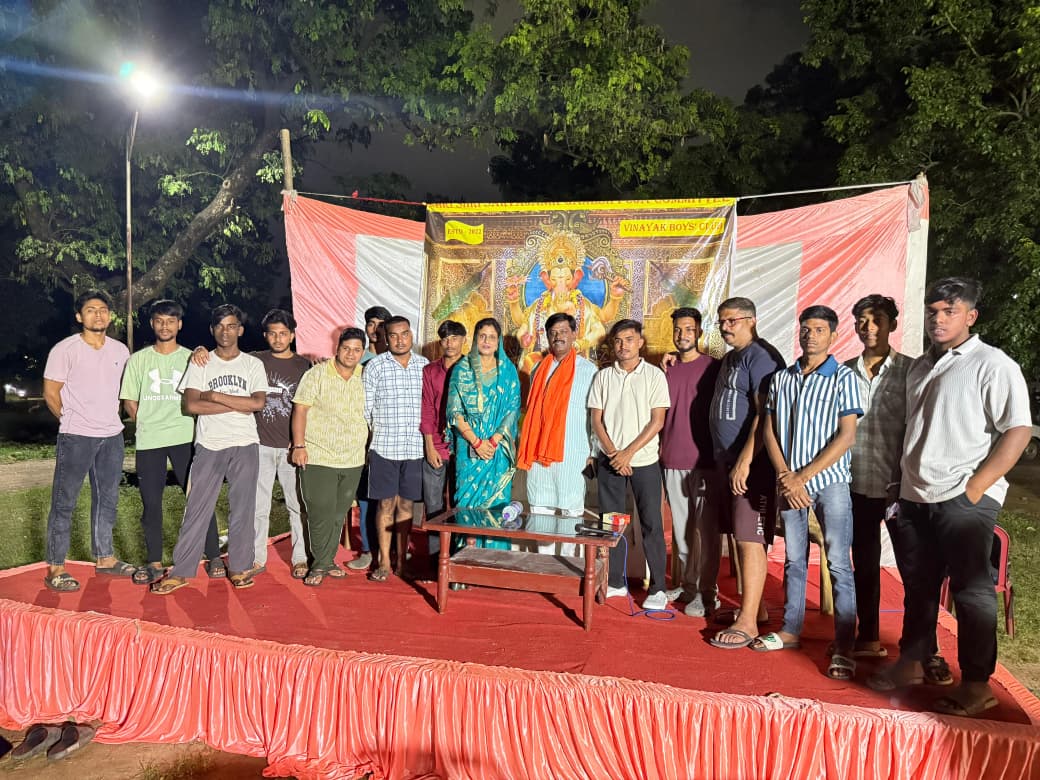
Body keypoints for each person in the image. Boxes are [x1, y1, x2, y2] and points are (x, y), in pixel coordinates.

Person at [869, 278, 1031, 717]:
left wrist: (976, 486)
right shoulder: (921, 366)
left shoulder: (992, 364)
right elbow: (915, 428)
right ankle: (913, 662)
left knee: (971, 591)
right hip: (914, 495)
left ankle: (976, 685)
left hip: (963, 498)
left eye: (950, 311)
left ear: (970, 316)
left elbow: (1018, 430)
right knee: (919, 587)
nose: (938, 320)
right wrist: (897, 486)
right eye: (933, 311)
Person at [758, 306, 862, 681]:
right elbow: (769, 430)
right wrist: (786, 476)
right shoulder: (782, 378)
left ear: (833, 335)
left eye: (819, 330)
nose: (810, 335)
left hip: (829, 482)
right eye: (806, 328)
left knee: (838, 562)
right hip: (789, 482)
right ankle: (791, 629)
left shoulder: (844, 378)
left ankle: (845, 644)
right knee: (794, 559)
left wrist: (803, 476)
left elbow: (846, 436)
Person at [151, 304, 267, 594]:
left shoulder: (252, 364)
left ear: (240, 329)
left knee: (243, 509)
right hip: (209, 444)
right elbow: (191, 405)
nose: (226, 332)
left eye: (231, 326)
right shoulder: (201, 361)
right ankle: (181, 571)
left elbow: (257, 403)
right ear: (212, 330)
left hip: (245, 443)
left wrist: (214, 395)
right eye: (220, 326)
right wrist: (236, 404)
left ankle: (239, 567)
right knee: (197, 508)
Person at [120, 300, 223, 585]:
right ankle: (154, 561)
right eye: (159, 321)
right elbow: (130, 401)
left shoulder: (193, 358)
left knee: (198, 497)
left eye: (170, 321)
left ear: (179, 324)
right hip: (150, 441)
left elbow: (204, 396)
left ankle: (214, 555)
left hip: (184, 438)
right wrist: (148, 422)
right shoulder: (138, 360)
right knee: (151, 503)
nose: (165, 326)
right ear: (152, 324)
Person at [705, 297, 786, 650]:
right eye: (722, 321)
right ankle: (757, 608)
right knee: (738, 536)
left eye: (732, 321)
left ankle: (749, 622)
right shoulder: (731, 357)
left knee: (751, 538)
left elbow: (766, 414)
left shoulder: (762, 356)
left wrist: (746, 460)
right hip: (727, 461)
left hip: (754, 466)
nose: (725, 327)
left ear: (751, 320)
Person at [41, 290, 131, 592]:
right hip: (77, 436)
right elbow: (51, 393)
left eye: (103, 309)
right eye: (91, 310)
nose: (98, 314)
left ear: (110, 315)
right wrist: (70, 421)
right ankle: (56, 567)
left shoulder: (120, 350)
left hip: (112, 435)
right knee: (64, 501)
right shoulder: (65, 350)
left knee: (107, 499)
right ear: (80, 316)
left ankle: (105, 558)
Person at [588, 319, 671, 611]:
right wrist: (614, 454)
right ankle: (614, 581)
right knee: (610, 522)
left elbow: (657, 421)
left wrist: (628, 454)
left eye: (629, 339)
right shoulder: (603, 377)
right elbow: (596, 420)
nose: (623, 346)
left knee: (651, 523)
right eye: (618, 341)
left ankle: (658, 588)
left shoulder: (654, 376)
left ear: (640, 343)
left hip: (645, 460)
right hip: (610, 460)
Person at [290, 328, 368, 586]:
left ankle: (327, 560)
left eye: (357, 350)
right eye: (346, 348)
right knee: (319, 511)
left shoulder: (365, 376)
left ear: (363, 352)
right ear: (337, 348)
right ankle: (319, 564)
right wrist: (299, 445)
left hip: (353, 457)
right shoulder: (317, 374)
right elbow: (300, 409)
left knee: (338, 513)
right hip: (318, 454)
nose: (351, 354)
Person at [516, 312, 597, 556]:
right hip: (539, 453)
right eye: (553, 333)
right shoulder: (538, 369)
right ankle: (546, 564)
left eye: (563, 331)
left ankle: (568, 564)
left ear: (574, 334)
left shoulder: (589, 371)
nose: (558, 336)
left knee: (571, 511)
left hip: (573, 452)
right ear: (547, 337)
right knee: (541, 509)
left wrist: (594, 452)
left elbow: (596, 416)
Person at [660, 307, 723, 616]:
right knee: (683, 530)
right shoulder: (666, 369)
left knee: (706, 531)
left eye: (688, 329)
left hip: (705, 461)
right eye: (677, 329)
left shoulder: (714, 368)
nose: (682, 335)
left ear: (699, 332)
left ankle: (708, 593)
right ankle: (688, 585)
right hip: (672, 458)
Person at [363, 315, 428, 581]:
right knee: (386, 504)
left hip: (414, 449)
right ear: (385, 338)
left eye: (404, 334)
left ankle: (402, 561)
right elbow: (365, 409)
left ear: (411, 335)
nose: (400, 340)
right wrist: (369, 444)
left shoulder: (424, 366)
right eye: (393, 335)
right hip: (384, 448)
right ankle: (383, 562)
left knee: (407, 506)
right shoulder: (375, 366)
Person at [505, 231, 627, 373]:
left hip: (575, 366)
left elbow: (600, 328)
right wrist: (523, 337)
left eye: (566, 279)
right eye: (555, 279)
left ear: (576, 278)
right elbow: (522, 323)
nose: (561, 284)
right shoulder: (539, 306)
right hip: (542, 366)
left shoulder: (582, 306)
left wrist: (615, 297)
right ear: (546, 279)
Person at [447, 318, 522, 545]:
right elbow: (454, 411)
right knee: (466, 504)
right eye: (482, 336)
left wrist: (494, 440)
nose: (486, 341)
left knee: (497, 507)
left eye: (492, 337)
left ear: (498, 341)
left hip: (497, 450)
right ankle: (464, 559)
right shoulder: (462, 369)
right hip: (469, 448)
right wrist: (477, 442)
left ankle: (493, 558)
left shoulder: (507, 371)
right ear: (475, 339)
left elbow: (512, 409)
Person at [249, 310, 311, 578]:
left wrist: (299, 443)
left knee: (297, 505)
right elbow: (225, 358)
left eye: (283, 333)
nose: (278, 338)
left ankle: (300, 558)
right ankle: (256, 557)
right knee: (258, 506)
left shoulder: (304, 366)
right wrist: (201, 350)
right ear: (265, 335)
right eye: (273, 333)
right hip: (260, 444)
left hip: (291, 447)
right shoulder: (254, 360)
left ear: (292, 336)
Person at [348, 304, 393, 572]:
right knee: (365, 496)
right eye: (371, 323)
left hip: (389, 438)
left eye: (381, 325)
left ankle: (391, 550)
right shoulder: (356, 359)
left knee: (390, 498)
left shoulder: (397, 358)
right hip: (362, 437)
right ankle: (367, 549)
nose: (375, 329)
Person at [420, 320, 467, 542]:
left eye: (454, 338)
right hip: (437, 444)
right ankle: (435, 556)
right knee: (433, 504)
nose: (450, 343)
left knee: (462, 502)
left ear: (464, 340)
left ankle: (458, 553)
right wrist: (429, 446)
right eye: (445, 339)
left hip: (465, 445)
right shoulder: (430, 371)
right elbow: (427, 409)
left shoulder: (472, 369)